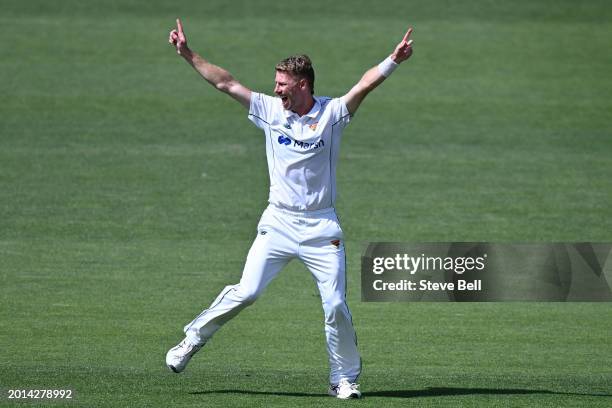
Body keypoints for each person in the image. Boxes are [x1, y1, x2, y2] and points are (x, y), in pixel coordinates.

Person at [165, 18, 413, 400]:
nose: (275, 88)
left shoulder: (331, 115)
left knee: (335, 305)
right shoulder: (269, 110)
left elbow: (364, 84)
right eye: (276, 83)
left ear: (302, 85)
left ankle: (343, 379)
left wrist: (393, 60)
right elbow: (225, 82)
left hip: (321, 228)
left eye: (282, 83)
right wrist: (187, 54)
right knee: (246, 292)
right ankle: (191, 340)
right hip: (278, 222)